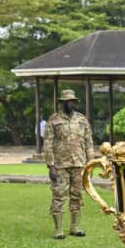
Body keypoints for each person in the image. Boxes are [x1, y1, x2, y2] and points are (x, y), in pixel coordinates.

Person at [44, 89, 93, 239]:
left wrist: (90, 164)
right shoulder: (54, 120)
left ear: (75, 102)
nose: (69, 103)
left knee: (77, 195)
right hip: (60, 165)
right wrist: (51, 165)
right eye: (67, 101)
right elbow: (48, 143)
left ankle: (75, 227)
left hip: (79, 164)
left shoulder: (82, 119)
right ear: (62, 103)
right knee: (59, 196)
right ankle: (58, 229)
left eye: (72, 101)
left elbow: (89, 142)